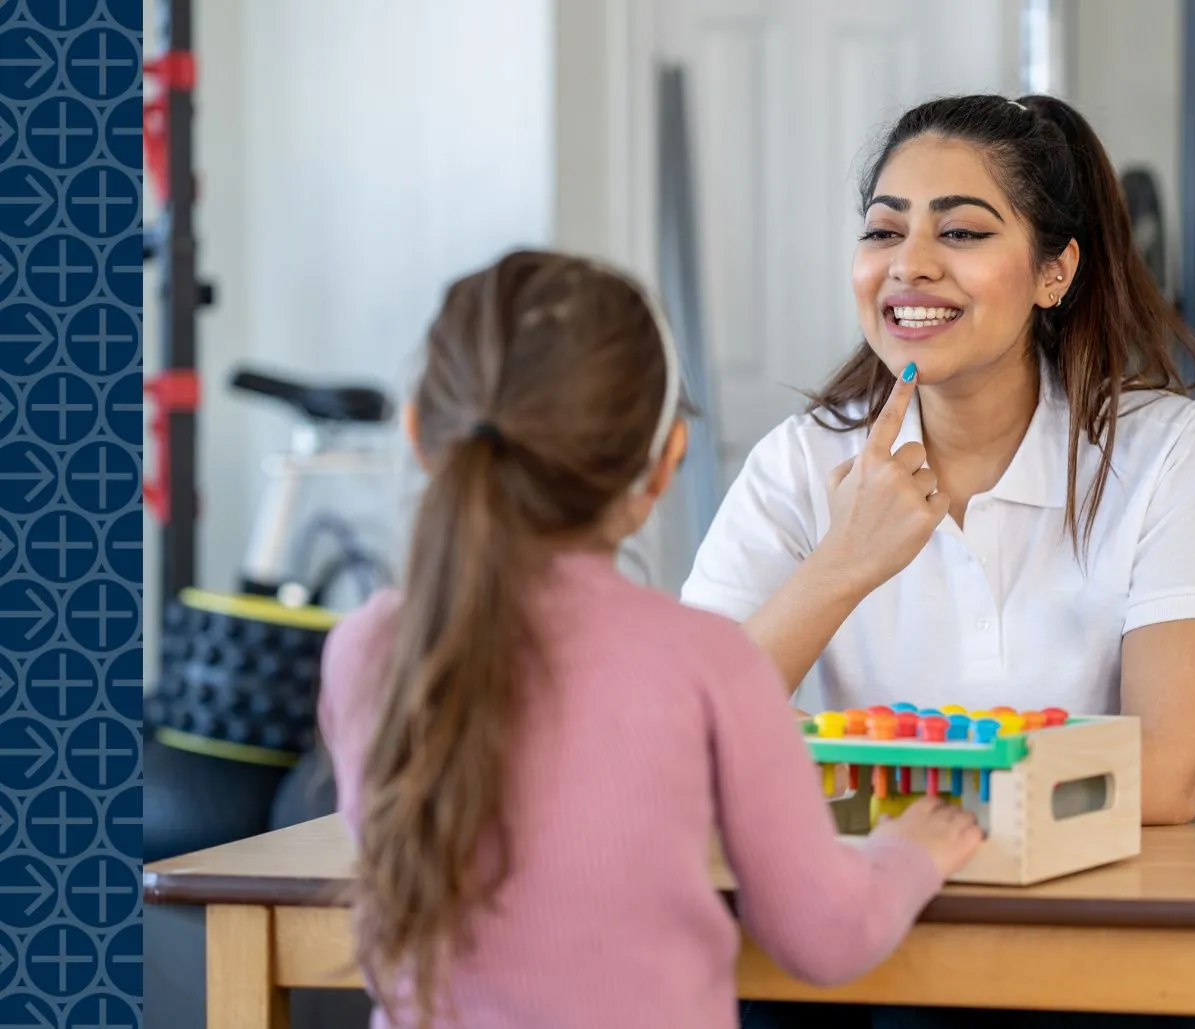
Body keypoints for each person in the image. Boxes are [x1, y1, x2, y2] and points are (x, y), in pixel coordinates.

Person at [680, 94, 1195, 1028]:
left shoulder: (1164, 449)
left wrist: (900, 813)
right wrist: (842, 563)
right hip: (857, 931)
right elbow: (685, 743)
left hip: (1111, 929)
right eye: (883, 229)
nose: (910, 264)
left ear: (1055, 270)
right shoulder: (798, 462)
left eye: (963, 231)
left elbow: (1175, 770)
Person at [316, 250, 983, 1029]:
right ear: (666, 461)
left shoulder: (363, 647)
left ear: (419, 435)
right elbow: (826, 936)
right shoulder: (706, 663)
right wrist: (913, 849)